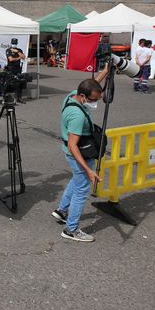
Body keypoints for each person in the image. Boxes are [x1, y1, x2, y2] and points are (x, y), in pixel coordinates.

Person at [52, 64, 110, 242]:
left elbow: (93, 83)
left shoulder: (72, 95)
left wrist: (106, 70)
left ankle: (62, 211)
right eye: (93, 100)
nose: (95, 102)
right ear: (83, 96)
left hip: (74, 153)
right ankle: (71, 230)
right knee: (82, 188)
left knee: (77, 180)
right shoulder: (77, 117)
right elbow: (73, 146)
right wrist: (89, 169)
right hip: (78, 153)